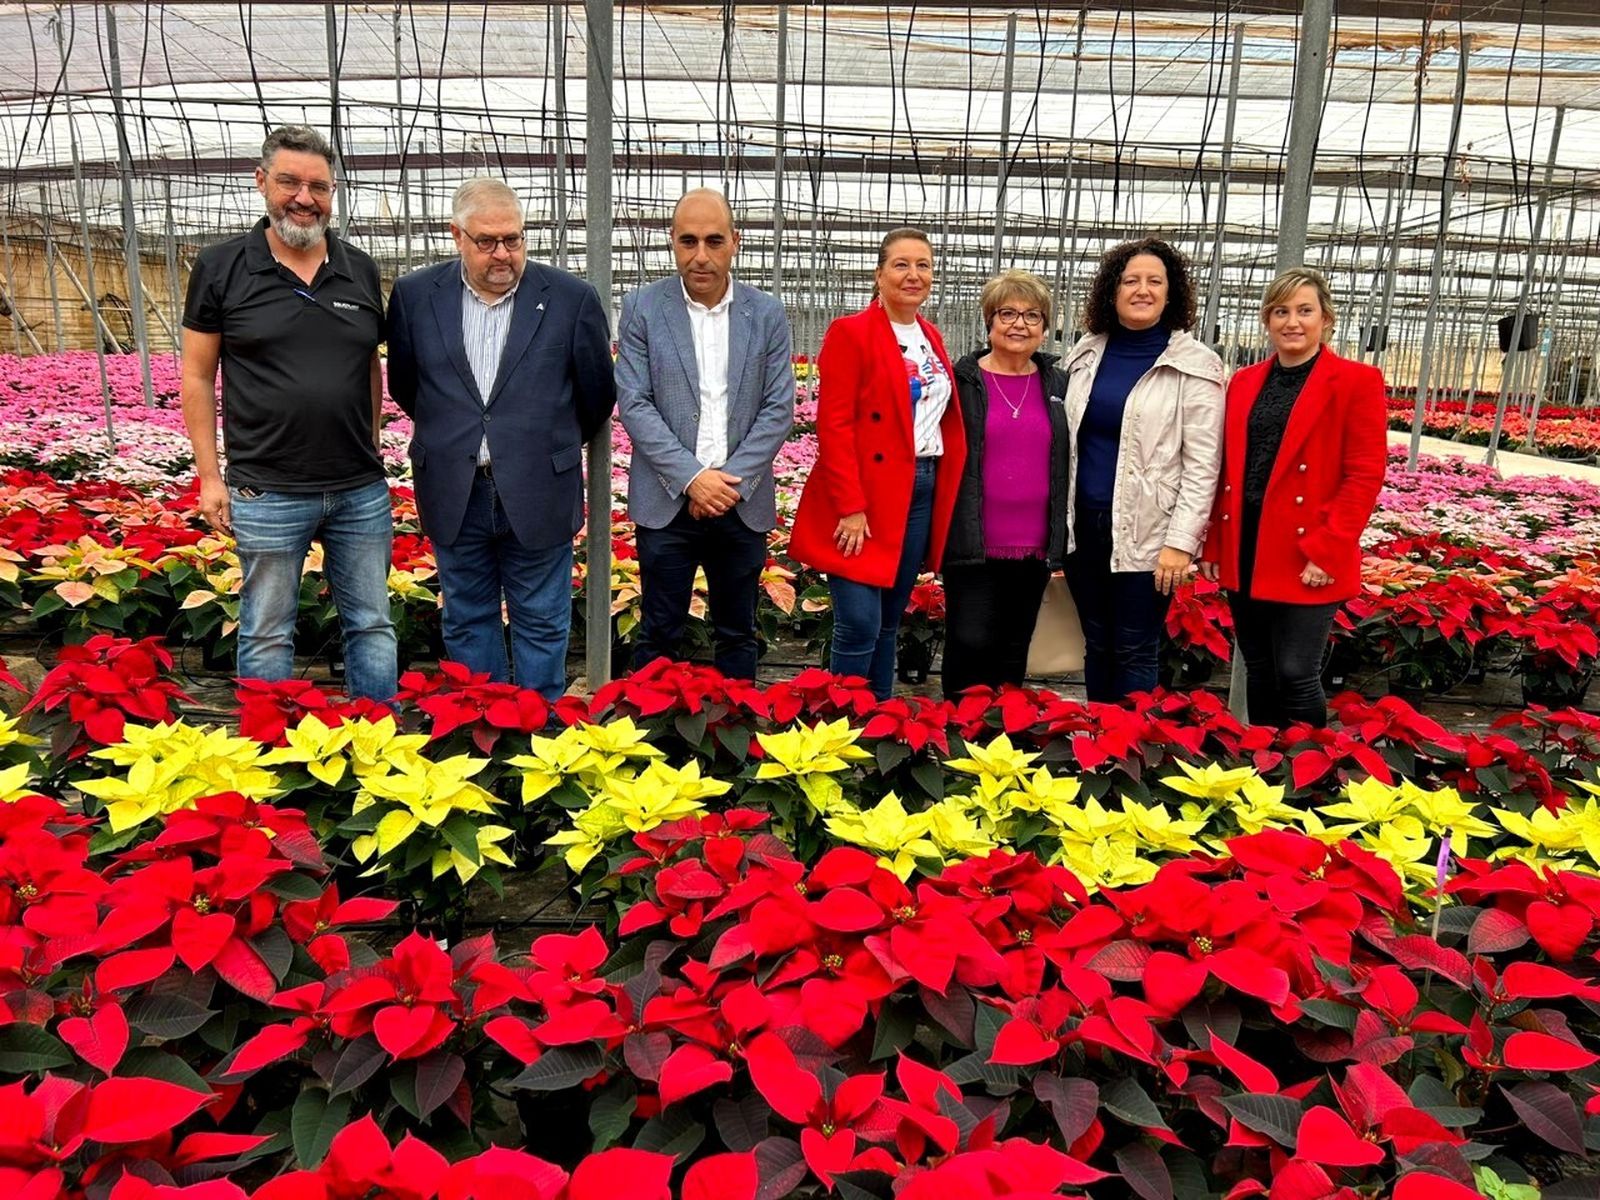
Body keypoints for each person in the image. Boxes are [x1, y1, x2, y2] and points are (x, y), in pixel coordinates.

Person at [181, 125, 397, 702]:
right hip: (267, 488)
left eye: (319, 186)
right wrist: (209, 476)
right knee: (267, 631)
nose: (305, 198)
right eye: (290, 182)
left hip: (358, 487)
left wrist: (372, 441)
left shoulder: (360, 269)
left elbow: (369, 367)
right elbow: (198, 375)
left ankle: (381, 741)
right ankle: (269, 755)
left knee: (373, 623)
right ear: (261, 183)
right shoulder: (222, 267)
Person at [385, 178, 616, 700]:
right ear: (457, 236)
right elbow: (407, 384)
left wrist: (536, 443)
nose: (502, 254)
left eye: (513, 240)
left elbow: (596, 394)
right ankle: (483, 728)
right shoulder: (416, 296)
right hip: (453, 485)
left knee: (542, 619)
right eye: (487, 241)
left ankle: (539, 729)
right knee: (467, 618)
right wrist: (459, 435)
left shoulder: (570, 299)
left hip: (538, 486)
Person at [615, 189, 795, 680]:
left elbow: (778, 408)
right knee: (658, 632)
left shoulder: (766, 314)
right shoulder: (644, 308)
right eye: (688, 241)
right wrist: (694, 478)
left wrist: (725, 482)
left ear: (735, 242)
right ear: (672, 243)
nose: (701, 255)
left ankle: (733, 742)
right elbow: (634, 401)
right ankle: (655, 739)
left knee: (737, 632)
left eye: (714, 241)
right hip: (667, 501)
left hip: (741, 503)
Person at [1199, 267, 1386, 727]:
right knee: (1259, 667)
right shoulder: (1244, 381)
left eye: (1305, 311)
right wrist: (1216, 544)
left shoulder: (1356, 381)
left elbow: (1364, 474)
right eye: (1280, 311)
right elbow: (1230, 470)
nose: (1292, 322)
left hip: (1309, 547)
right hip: (1248, 544)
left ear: (1327, 319)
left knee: (1296, 671)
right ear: (1267, 320)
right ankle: (1267, 770)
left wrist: (1328, 548)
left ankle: (1307, 777)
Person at [788, 228, 967, 701]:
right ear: (879, 274)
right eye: (901, 265)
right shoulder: (852, 333)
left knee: (889, 618)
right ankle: (841, 720)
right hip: (866, 496)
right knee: (858, 622)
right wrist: (850, 504)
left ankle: (879, 717)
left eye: (924, 265)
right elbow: (835, 423)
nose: (914, 275)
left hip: (920, 487)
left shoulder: (929, 335)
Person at [1061, 237, 1224, 703]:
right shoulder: (1086, 353)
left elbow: (1203, 464)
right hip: (1085, 530)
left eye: (1155, 281)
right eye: (1131, 280)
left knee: (1134, 647)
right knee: (1097, 645)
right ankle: (1098, 742)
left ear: (1171, 294)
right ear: (1112, 291)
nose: (1142, 290)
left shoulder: (1195, 365)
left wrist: (1180, 542)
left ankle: (1127, 756)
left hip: (1150, 535)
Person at [941, 269, 1070, 696]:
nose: (1019, 324)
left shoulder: (1059, 383)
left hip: (1034, 544)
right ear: (989, 322)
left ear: (1046, 326)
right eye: (1008, 313)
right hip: (975, 539)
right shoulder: (963, 383)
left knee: (1015, 647)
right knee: (969, 640)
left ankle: (1005, 737)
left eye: (1033, 315)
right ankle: (959, 738)